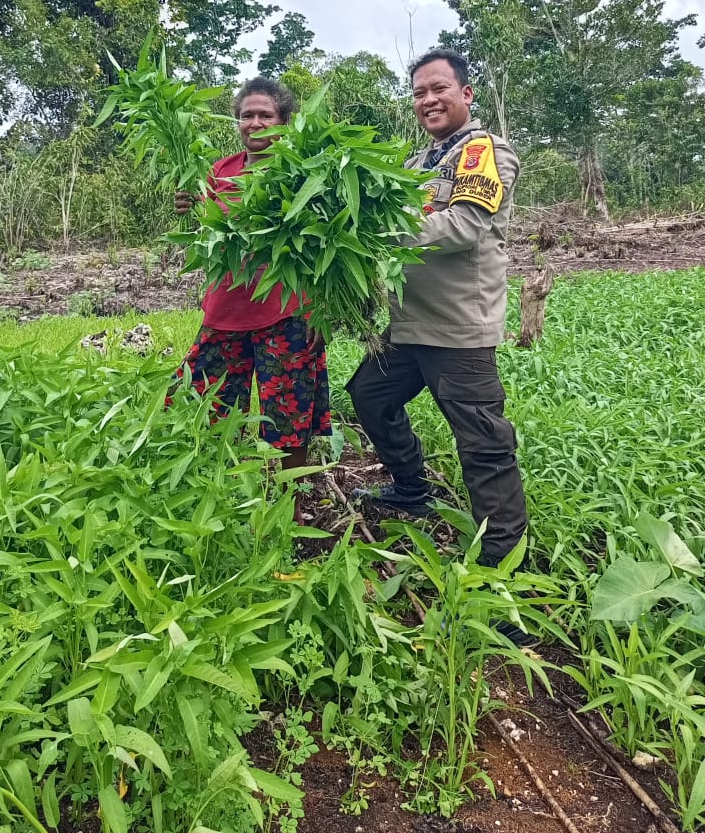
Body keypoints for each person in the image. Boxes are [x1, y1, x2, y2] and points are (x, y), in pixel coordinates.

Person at [347, 48, 527, 568]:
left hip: (457, 329)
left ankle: (503, 567)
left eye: (439, 89)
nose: (428, 100)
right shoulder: (413, 164)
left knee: (484, 447)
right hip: (408, 325)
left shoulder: (482, 152)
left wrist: (375, 233)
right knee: (370, 396)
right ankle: (411, 489)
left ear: (466, 94)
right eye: (419, 93)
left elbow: (463, 226)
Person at [165, 76, 331, 517]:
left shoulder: (304, 172)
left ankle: (288, 509)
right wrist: (190, 211)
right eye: (246, 115)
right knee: (208, 407)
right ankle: (222, 499)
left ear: (284, 121)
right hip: (225, 312)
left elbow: (325, 247)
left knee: (288, 420)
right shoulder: (219, 171)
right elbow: (208, 239)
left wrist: (320, 313)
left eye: (265, 115)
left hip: (287, 314)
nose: (254, 123)